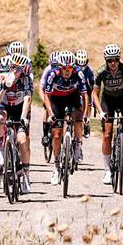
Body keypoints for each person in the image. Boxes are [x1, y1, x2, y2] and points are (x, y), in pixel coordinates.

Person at [93, 44, 123, 186]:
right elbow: (95, 94)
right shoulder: (101, 72)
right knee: (107, 134)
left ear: (119, 59)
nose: (113, 63)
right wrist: (100, 112)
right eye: (109, 60)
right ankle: (107, 170)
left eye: (115, 59)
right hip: (108, 100)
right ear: (106, 60)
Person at [41, 50, 87, 185]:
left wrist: (86, 115)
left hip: (72, 97)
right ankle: (56, 166)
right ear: (59, 67)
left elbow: (85, 95)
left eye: (70, 68)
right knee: (56, 135)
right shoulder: (52, 74)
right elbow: (47, 96)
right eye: (64, 68)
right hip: (56, 100)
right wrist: (51, 113)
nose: (67, 71)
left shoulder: (79, 73)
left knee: (78, 120)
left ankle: (78, 145)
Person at [0, 54, 32, 193]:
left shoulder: (26, 80)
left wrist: (24, 117)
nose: (16, 72)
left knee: (23, 141)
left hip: (19, 109)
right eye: (13, 68)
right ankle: (1, 151)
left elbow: (27, 98)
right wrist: (4, 88)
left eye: (19, 69)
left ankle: (26, 173)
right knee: (0, 118)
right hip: (4, 107)